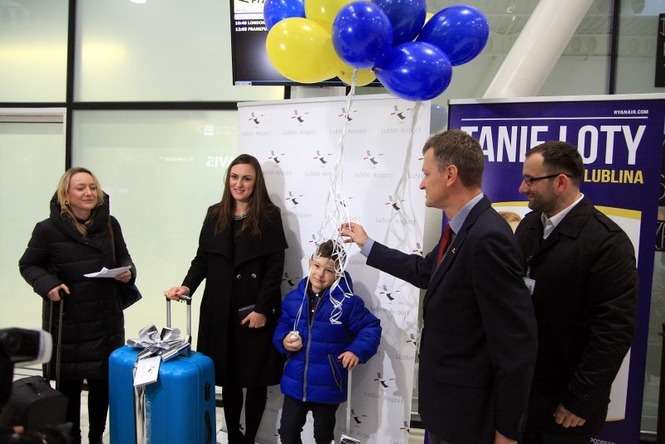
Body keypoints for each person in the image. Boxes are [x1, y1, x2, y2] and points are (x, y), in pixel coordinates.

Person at [340, 129, 538, 444]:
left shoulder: (487, 237)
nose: (421, 184)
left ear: (450, 175)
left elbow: (514, 344)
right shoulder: (462, 230)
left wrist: (506, 430)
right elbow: (425, 271)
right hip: (448, 410)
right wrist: (368, 245)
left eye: (426, 173)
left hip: (470, 419)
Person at [515, 141, 638, 443]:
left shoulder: (608, 243)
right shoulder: (529, 227)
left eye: (530, 180)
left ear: (560, 182)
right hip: (522, 396)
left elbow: (613, 331)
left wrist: (580, 400)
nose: (522, 188)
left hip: (565, 410)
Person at [165, 154, 287, 444]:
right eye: (234, 177)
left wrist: (262, 310)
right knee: (229, 378)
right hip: (219, 309)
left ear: (256, 182)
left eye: (246, 178)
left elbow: (275, 269)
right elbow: (202, 259)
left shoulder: (269, 215)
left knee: (255, 380)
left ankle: (250, 438)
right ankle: (233, 436)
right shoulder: (214, 213)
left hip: (253, 310)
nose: (239, 184)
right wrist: (187, 286)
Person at [18, 167, 135, 444]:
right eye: (80, 188)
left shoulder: (110, 224)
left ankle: (96, 436)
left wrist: (128, 272)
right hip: (69, 319)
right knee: (68, 387)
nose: (88, 192)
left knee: (102, 384)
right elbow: (28, 265)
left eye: (93, 187)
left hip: (106, 319)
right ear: (66, 195)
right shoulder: (47, 229)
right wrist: (48, 285)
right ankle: (71, 438)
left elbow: (124, 257)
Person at [273, 240, 381, 444]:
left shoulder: (347, 303)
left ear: (338, 273)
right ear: (310, 263)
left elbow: (371, 327)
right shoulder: (294, 298)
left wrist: (356, 350)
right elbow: (281, 327)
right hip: (295, 382)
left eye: (329, 270)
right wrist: (283, 340)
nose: (320, 274)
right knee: (287, 432)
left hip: (328, 384)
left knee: (323, 436)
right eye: (317, 266)